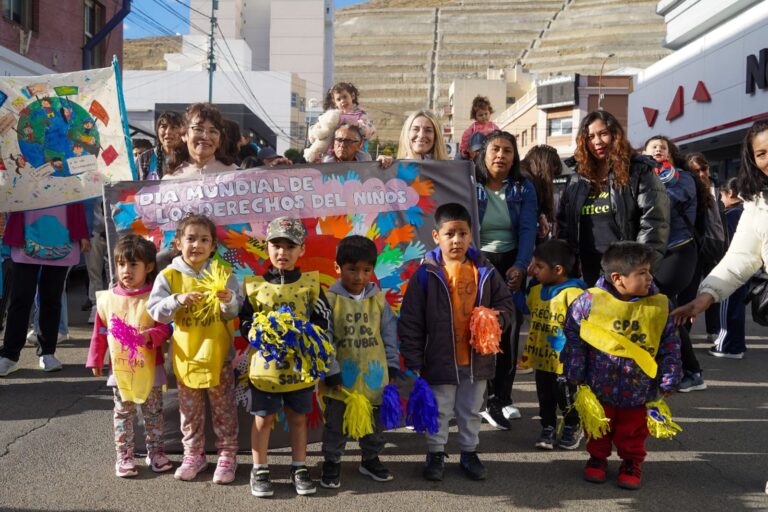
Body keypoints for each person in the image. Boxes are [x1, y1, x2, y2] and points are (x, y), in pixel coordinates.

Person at [399, 203, 514, 482]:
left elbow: (506, 305)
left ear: (471, 235)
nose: (457, 240)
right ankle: (436, 452)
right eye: (450, 234)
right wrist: (413, 359)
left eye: (463, 233)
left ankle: (468, 451)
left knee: (471, 410)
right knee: (439, 410)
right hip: (439, 359)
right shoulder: (426, 274)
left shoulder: (484, 270)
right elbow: (411, 320)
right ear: (436, 236)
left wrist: (495, 321)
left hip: (477, 359)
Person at [562, 242, 681, 490]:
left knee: (633, 431)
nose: (650, 277)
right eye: (642, 273)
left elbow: (670, 344)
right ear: (618, 278)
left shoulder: (660, 305)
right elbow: (574, 337)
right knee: (598, 427)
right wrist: (574, 370)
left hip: (639, 389)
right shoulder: (589, 302)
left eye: (649, 271)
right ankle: (597, 458)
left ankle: (631, 462)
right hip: (598, 385)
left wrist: (670, 376)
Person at [239, 217, 333, 498]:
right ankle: (260, 469)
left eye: (290, 246)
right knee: (262, 419)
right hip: (264, 371)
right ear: (266, 248)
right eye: (276, 245)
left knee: (298, 418)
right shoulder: (254, 286)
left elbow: (323, 321)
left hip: (300, 371)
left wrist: (307, 332)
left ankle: (299, 466)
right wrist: (258, 333)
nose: (283, 252)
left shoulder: (311, 285)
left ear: (301, 250)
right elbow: (245, 322)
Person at [147, 214, 240, 484]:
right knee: (189, 411)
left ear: (213, 246)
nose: (196, 245)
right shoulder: (169, 275)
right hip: (186, 357)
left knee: (224, 408)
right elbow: (155, 311)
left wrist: (228, 301)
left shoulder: (222, 274)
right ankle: (194, 454)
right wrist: (176, 300)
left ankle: (227, 455)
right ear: (177, 242)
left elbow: (233, 312)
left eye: (204, 240)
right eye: (190, 239)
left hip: (219, 356)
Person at [674, 121, 768, 347]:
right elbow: (740, 258)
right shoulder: (758, 203)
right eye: (762, 153)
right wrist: (703, 298)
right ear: (753, 161)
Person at [86, 235, 173, 478]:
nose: (126, 270)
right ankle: (124, 455)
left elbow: (166, 327)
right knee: (123, 412)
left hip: (151, 368)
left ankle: (155, 452)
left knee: (153, 412)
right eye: (121, 264)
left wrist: (151, 335)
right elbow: (100, 332)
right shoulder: (108, 299)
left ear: (149, 267)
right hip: (121, 370)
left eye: (133, 265)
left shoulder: (154, 297)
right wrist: (96, 359)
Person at [319, 236, 399, 489]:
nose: (359, 276)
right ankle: (332, 461)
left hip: (374, 377)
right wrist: (331, 370)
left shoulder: (378, 299)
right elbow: (324, 339)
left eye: (366, 270)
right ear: (338, 268)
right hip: (341, 381)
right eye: (352, 269)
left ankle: (370, 458)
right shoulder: (329, 301)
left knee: (375, 425)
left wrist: (392, 363)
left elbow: (388, 333)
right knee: (336, 425)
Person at [556, 110, 670, 286]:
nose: (597, 141)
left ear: (615, 135)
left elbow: (654, 223)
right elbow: (564, 225)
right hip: (588, 270)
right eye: (590, 136)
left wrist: (639, 271)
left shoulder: (638, 171)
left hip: (626, 271)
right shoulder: (576, 178)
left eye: (603, 134)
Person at [474, 131, 538, 429]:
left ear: (515, 157)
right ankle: (484, 399)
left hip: (511, 261)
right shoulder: (469, 183)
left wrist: (521, 266)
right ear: (484, 154)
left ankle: (503, 397)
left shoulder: (524, 188)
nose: (501, 155)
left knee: (510, 334)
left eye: (507, 151)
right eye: (495, 149)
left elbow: (527, 230)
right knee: (481, 331)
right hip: (477, 262)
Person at [642, 135, 705, 392]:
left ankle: (692, 371)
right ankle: (672, 368)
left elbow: (661, 202)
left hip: (679, 251)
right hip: (655, 253)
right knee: (664, 309)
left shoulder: (681, 177)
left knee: (663, 308)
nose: (658, 149)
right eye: (653, 146)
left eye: (662, 147)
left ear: (670, 153)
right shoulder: (644, 176)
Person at [0, 203, 89, 376]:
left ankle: (48, 352)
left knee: (51, 299)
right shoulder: (20, 174)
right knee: (21, 299)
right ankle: (10, 355)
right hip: (26, 237)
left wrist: (83, 233)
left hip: (62, 238)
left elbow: (79, 197)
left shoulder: (70, 175)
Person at [521, 240, 586, 450]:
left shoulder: (576, 295)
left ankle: (572, 425)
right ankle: (547, 426)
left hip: (565, 361)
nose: (533, 271)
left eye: (539, 267)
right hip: (542, 358)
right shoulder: (536, 290)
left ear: (558, 270)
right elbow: (524, 307)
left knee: (566, 395)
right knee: (545, 395)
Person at [708, 178, 747, 358]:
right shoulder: (747, 211)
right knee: (738, 308)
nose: (721, 200)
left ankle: (727, 346)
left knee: (728, 307)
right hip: (747, 267)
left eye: (722, 195)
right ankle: (737, 344)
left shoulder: (731, 215)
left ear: (730, 193)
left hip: (732, 268)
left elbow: (727, 243)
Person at [164, 103, 238, 180]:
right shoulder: (170, 181)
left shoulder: (237, 176)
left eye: (213, 131)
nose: (205, 137)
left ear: (220, 140)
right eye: (198, 129)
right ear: (184, 135)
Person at [523, 144, 562, 242]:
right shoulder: (525, 179)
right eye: (552, 173)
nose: (551, 179)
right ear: (545, 167)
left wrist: (540, 216)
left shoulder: (528, 176)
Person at [137, 111, 185, 180]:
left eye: (174, 127)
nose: (168, 132)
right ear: (157, 131)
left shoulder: (189, 158)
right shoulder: (144, 158)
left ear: (182, 132)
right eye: (164, 127)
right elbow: (135, 186)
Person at [322, 124, 393, 168]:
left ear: (360, 144)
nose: (342, 145)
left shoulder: (366, 166)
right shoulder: (320, 164)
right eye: (339, 140)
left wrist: (380, 164)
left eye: (348, 141)